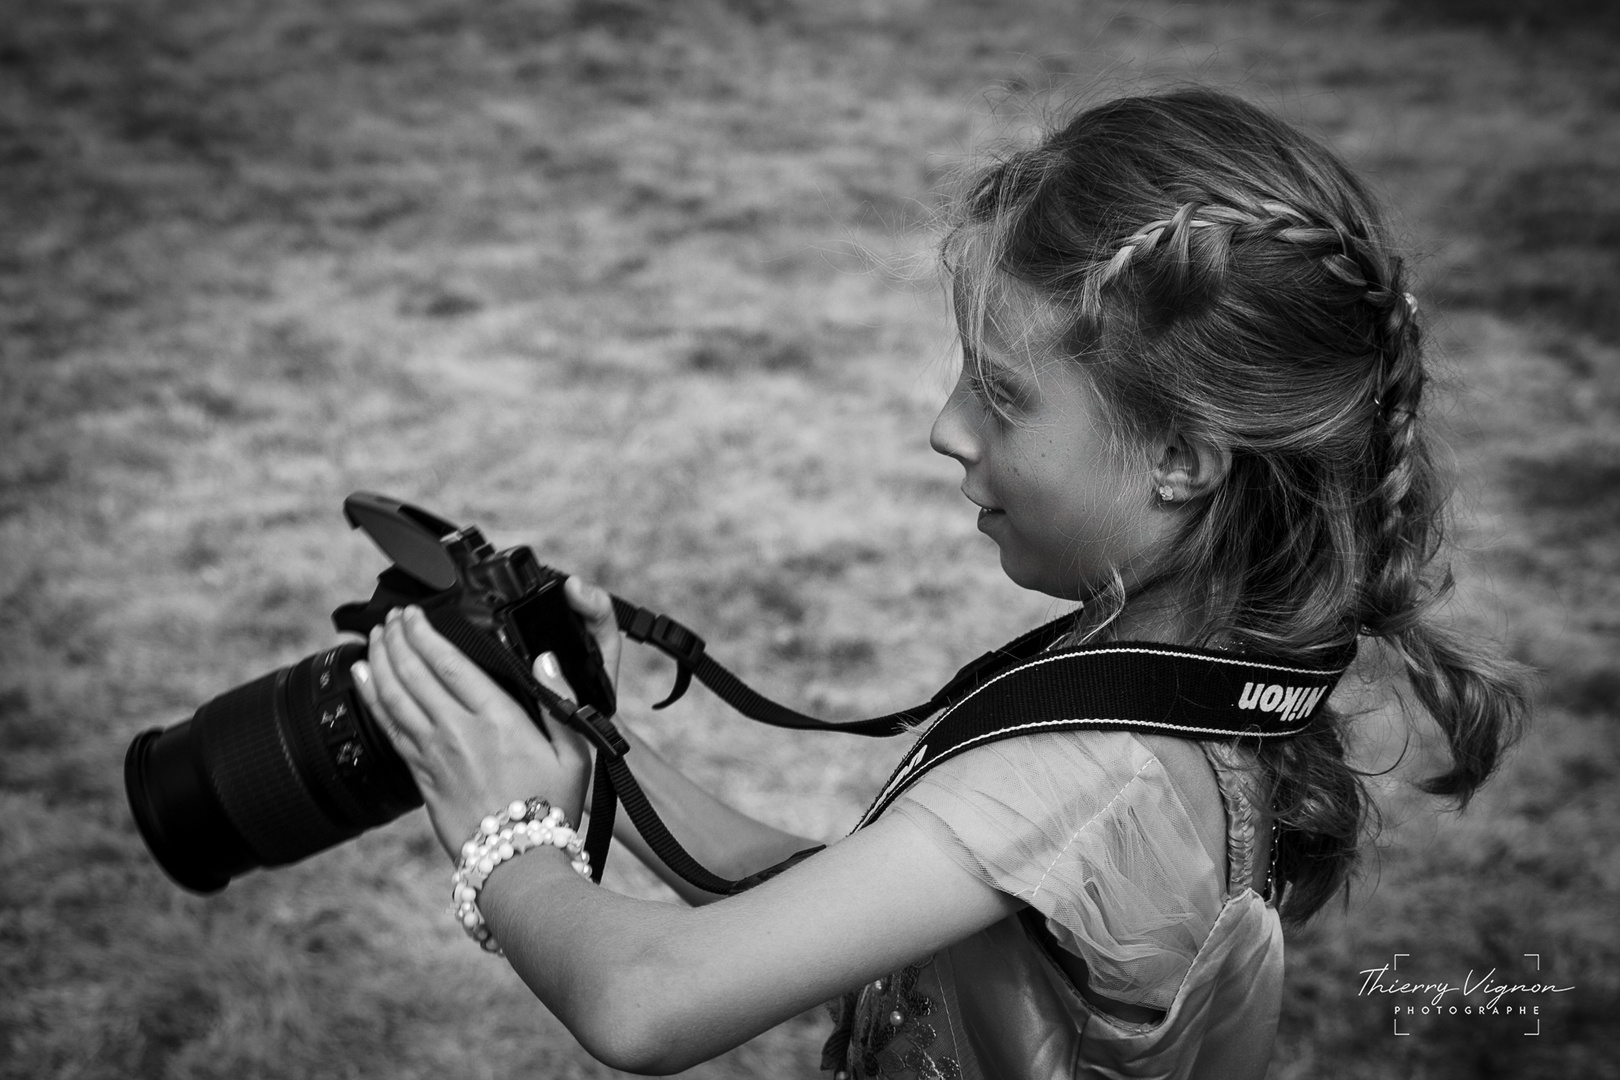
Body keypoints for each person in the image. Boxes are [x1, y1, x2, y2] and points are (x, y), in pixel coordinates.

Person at [349, 88, 1529, 1079]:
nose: (944, 428)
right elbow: (850, 913)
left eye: (1002, 395)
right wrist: (596, 737)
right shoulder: (1197, 675)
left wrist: (504, 830)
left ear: (1183, 459)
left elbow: (645, 1003)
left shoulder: (1096, 767)